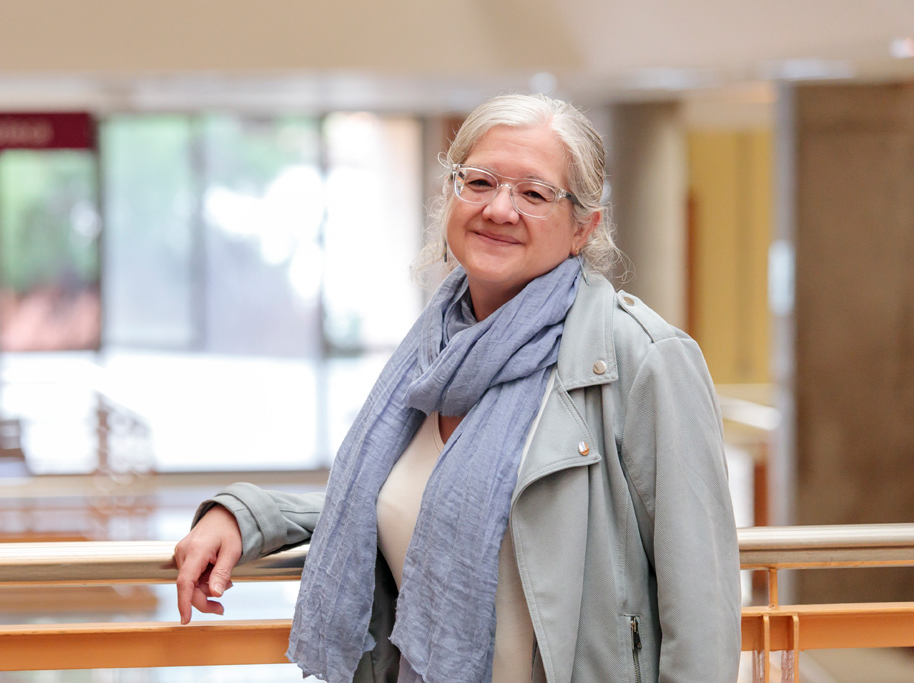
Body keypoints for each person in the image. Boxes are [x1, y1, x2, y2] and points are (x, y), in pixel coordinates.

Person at [174, 93, 742, 682]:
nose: (499, 209)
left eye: (534, 193)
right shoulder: (431, 357)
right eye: (480, 182)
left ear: (583, 228)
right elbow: (417, 508)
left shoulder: (643, 359)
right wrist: (248, 515)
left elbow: (702, 617)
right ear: (452, 194)